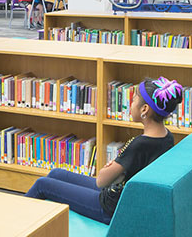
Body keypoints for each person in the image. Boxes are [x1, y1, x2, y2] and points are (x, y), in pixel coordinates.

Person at [25, 77, 182, 224]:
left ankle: (16, 223)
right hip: (118, 193)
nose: (130, 103)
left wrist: (114, 164)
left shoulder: (140, 144)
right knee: (56, 174)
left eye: (134, 99)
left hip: (109, 207)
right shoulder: (167, 137)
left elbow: (101, 181)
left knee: (42, 184)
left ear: (145, 109)